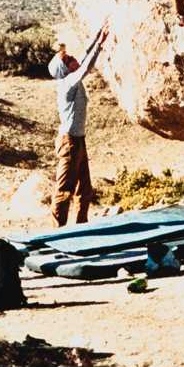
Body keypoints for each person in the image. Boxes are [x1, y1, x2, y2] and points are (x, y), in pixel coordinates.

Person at [47, 23, 110, 226]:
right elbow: (85, 67)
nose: (72, 58)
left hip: (78, 140)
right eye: (67, 59)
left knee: (85, 188)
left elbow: (83, 57)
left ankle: (82, 224)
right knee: (64, 188)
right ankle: (58, 229)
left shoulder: (70, 76)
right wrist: (100, 45)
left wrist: (99, 32)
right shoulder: (67, 83)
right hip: (70, 141)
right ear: (65, 68)